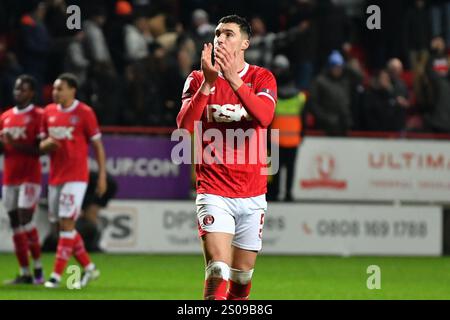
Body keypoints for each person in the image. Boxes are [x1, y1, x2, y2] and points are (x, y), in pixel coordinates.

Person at [176, 15, 277, 300]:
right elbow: (184, 126)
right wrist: (208, 84)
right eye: (218, 33)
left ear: (245, 43)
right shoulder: (197, 78)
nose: (220, 38)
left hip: (252, 192)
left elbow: (265, 116)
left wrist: (232, 79)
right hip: (214, 190)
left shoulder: (262, 77)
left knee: (242, 279)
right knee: (218, 270)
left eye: (229, 34)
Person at [39, 73, 107, 288]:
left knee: (67, 224)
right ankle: (89, 268)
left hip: (76, 177)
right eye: (54, 88)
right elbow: (40, 145)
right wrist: (47, 145)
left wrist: (102, 175)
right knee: (64, 228)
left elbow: (97, 145)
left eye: (60, 89)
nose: (55, 92)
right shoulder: (48, 112)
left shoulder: (84, 112)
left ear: (72, 90)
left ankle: (56, 277)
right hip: (55, 177)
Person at [0, 75, 44, 284]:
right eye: (17, 89)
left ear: (32, 92)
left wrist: (13, 143)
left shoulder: (39, 116)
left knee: (26, 219)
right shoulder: (6, 116)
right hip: (9, 177)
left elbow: (39, 151)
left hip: (29, 176)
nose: (19, 93)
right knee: (15, 223)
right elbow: (3, 149)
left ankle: (38, 270)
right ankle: (25, 272)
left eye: (23, 90)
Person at [267, 55, 305, 202]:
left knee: (273, 169)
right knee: (290, 169)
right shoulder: (299, 96)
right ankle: (288, 194)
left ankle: (273, 194)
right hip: (292, 137)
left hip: (275, 137)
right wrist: (302, 135)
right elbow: (303, 119)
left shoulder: (272, 93)